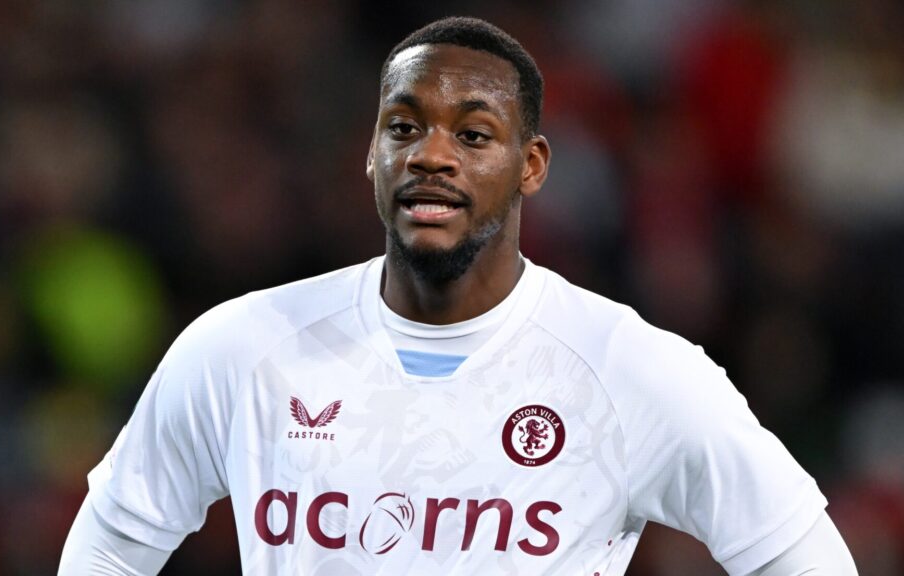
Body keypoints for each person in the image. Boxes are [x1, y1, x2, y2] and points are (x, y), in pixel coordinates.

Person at [59, 17, 857, 575]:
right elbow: (106, 549)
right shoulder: (240, 348)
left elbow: (805, 558)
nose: (431, 156)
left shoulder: (630, 371)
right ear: (370, 156)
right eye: (403, 128)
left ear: (532, 164)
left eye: (473, 135)